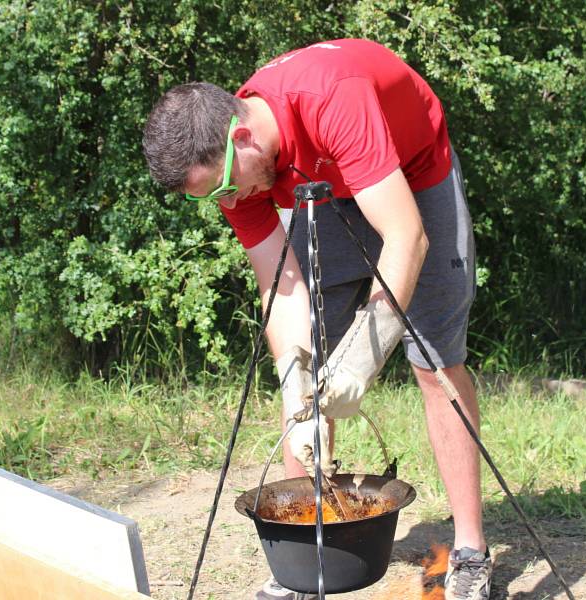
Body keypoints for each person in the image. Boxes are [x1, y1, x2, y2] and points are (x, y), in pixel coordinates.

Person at [142, 39, 490, 600]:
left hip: (412, 172)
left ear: (240, 136)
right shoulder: (239, 173)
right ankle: (308, 564)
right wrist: (291, 383)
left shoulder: (332, 98)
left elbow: (407, 237)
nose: (231, 201)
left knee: (434, 361)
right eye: (216, 197)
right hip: (323, 188)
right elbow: (280, 286)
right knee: (306, 382)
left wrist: (365, 357)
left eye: (227, 187)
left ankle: (470, 551)